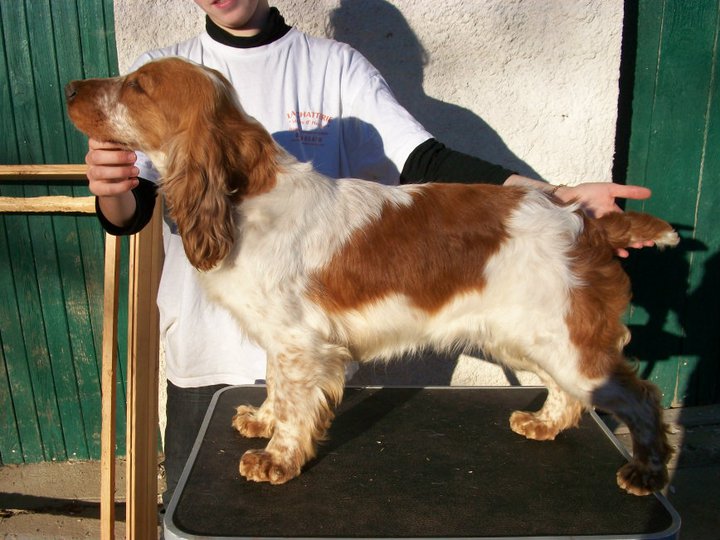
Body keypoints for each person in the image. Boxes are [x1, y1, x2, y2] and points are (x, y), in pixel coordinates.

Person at [86, 0, 652, 505]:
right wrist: (110, 189)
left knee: (549, 343)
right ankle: (276, 413)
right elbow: (132, 210)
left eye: (134, 89)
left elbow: (424, 160)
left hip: (316, 364)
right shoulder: (164, 70)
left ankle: (637, 428)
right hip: (199, 360)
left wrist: (554, 197)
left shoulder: (333, 65)